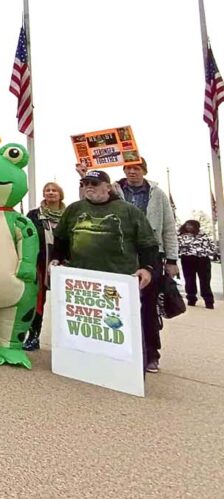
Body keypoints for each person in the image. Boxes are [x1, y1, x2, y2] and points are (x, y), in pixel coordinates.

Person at [51, 170, 159, 367]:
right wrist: (56, 258)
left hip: (118, 280)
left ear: (108, 187)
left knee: (120, 324)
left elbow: (147, 243)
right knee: (87, 322)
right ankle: (85, 360)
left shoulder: (128, 210)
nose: (89, 186)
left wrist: (147, 268)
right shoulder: (74, 209)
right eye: (85, 183)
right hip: (83, 280)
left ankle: (133, 364)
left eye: (94, 182)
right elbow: (61, 238)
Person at [116, 159, 178, 373]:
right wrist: (83, 175)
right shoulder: (115, 190)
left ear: (144, 171)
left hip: (151, 253)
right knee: (120, 303)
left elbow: (169, 227)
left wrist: (171, 259)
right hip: (123, 253)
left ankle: (152, 353)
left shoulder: (157, 194)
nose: (132, 172)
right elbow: (92, 200)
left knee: (149, 306)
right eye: (128, 168)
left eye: (136, 168)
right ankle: (123, 349)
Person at [23, 181, 66, 351]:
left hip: (64, 263)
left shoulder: (69, 214)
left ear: (60, 194)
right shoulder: (34, 215)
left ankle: (67, 341)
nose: (50, 193)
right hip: (40, 262)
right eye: (47, 190)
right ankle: (33, 337)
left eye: (54, 190)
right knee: (37, 302)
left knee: (65, 302)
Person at [178, 219, 216, 309]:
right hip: (187, 259)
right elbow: (177, 247)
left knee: (205, 281)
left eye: (191, 225)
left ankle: (209, 301)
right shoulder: (181, 236)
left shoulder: (203, 235)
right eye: (187, 225)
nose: (189, 227)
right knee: (189, 280)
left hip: (202, 259)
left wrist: (206, 253)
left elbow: (212, 246)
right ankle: (191, 299)